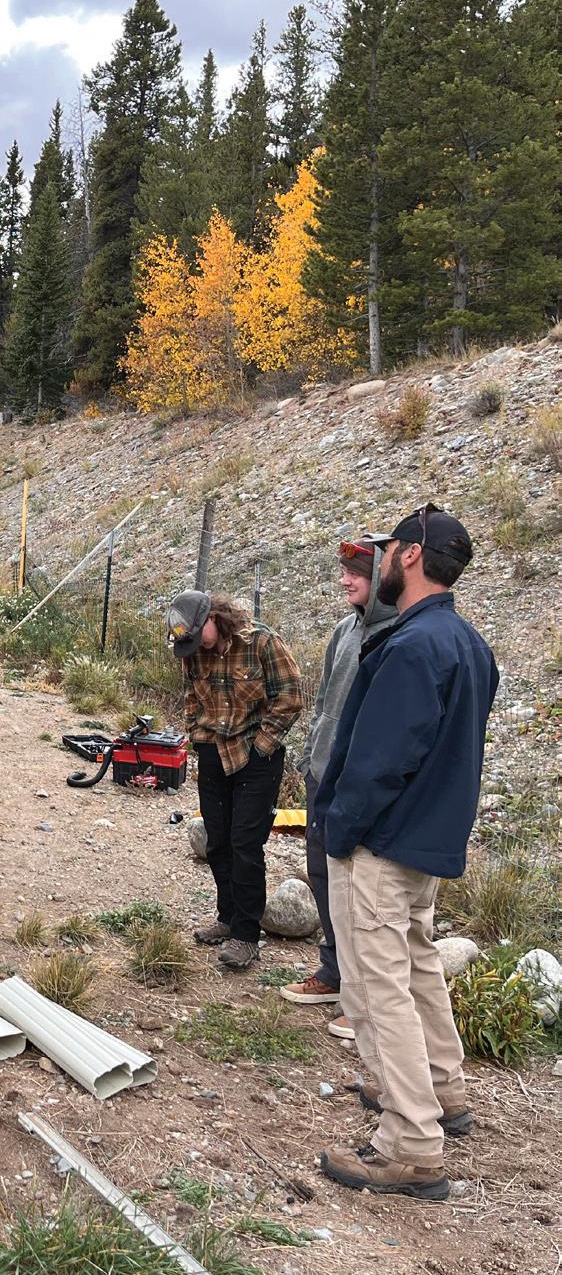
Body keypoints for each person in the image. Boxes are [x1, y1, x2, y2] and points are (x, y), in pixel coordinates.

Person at [316, 504, 498, 1201]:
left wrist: (340, 830)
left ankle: (411, 1142)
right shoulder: (468, 643)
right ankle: (443, 1092)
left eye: (387, 547)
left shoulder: (413, 645)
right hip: (426, 842)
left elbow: (380, 760)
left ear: (412, 555)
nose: (380, 559)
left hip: (382, 845)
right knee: (419, 966)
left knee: (374, 985)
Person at [282, 539, 397, 1038]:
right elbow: (325, 702)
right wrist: (311, 758)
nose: (346, 580)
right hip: (323, 775)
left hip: (359, 784)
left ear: (382, 577)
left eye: (357, 573)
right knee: (323, 874)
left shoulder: (397, 635)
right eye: (344, 571)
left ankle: (363, 997)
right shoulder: (344, 631)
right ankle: (333, 973)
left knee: (361, 891)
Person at [167, 590, 303, 970]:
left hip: (256, 758)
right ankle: (227, 918)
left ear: (214, 617)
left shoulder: (262, 642)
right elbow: (192, 697)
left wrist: (263, 745)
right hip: (213, 752)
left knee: (246, 845)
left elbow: (291, 696)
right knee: (218, 842)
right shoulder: (194, 650)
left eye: (199, 636)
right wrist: (197, 735)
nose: (197, 646)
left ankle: (246, 935)